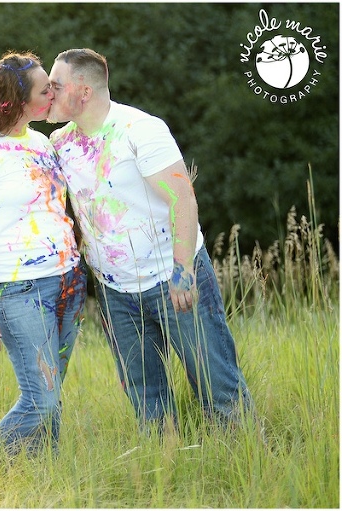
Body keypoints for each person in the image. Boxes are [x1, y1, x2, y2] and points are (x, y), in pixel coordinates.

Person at [46, 48, 254, 433]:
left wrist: (183, 271)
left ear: (84, 91)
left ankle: (246, 458)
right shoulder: (60, 142)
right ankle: (166, 465)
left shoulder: (140, 129)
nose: (48, 92)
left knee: (218, 386)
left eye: (56, 85)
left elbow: (182, 199)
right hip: (115, 292)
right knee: (147, 400)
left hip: (171, 279)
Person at [0, 51, 87, 477]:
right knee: (39, 397)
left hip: (67, 280)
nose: (53, 95)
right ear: (18, 100)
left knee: (52, 392)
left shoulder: (41, 142)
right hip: (18, 289)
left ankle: (44, 479)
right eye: (45, 90)